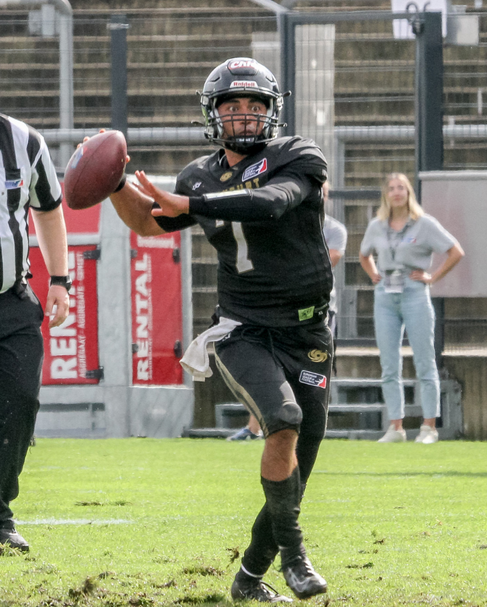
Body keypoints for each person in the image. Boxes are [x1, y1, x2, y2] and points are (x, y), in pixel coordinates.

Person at [107, 57, 333, 602]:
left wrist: (193, 203)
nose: (245, 116)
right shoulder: (198, 174)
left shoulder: (298, 155)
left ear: (272, 112)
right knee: (282, 420)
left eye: (255, 106)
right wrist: (110, 180)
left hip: (308, 332)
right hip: (242, 327)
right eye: (233, 106)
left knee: (301, 460)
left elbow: (271, 204)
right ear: (213, 114)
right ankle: (296, 558)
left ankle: (249, 577)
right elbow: (149, 221)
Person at [227, 182, 346, 442]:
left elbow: (323, 262)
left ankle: (308, 429)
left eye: (322, 193)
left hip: (317, 311)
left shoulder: (335, 230)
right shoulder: (283, 224)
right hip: (279, 308)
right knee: (269, 367)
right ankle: (255, 428)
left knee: (309, 372)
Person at [0, 113, 70, 551]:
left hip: (11, 300)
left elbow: (47, 209)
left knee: (20, 402)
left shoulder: (23, 140)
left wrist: (59, 279)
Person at [359, 172, 464, 444]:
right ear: (386, 194)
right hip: (385, 294)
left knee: (424, 359)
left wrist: (433, 277)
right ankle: (396, 427)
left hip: (414, 290)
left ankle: (429, 427)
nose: (396, 192)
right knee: (389, 363)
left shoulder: (424, 224)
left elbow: (455, 251)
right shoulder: (377, 225)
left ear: (408, 193)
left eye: (401, 188)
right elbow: (364, 253)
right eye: (391, 188)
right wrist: (373, 274)